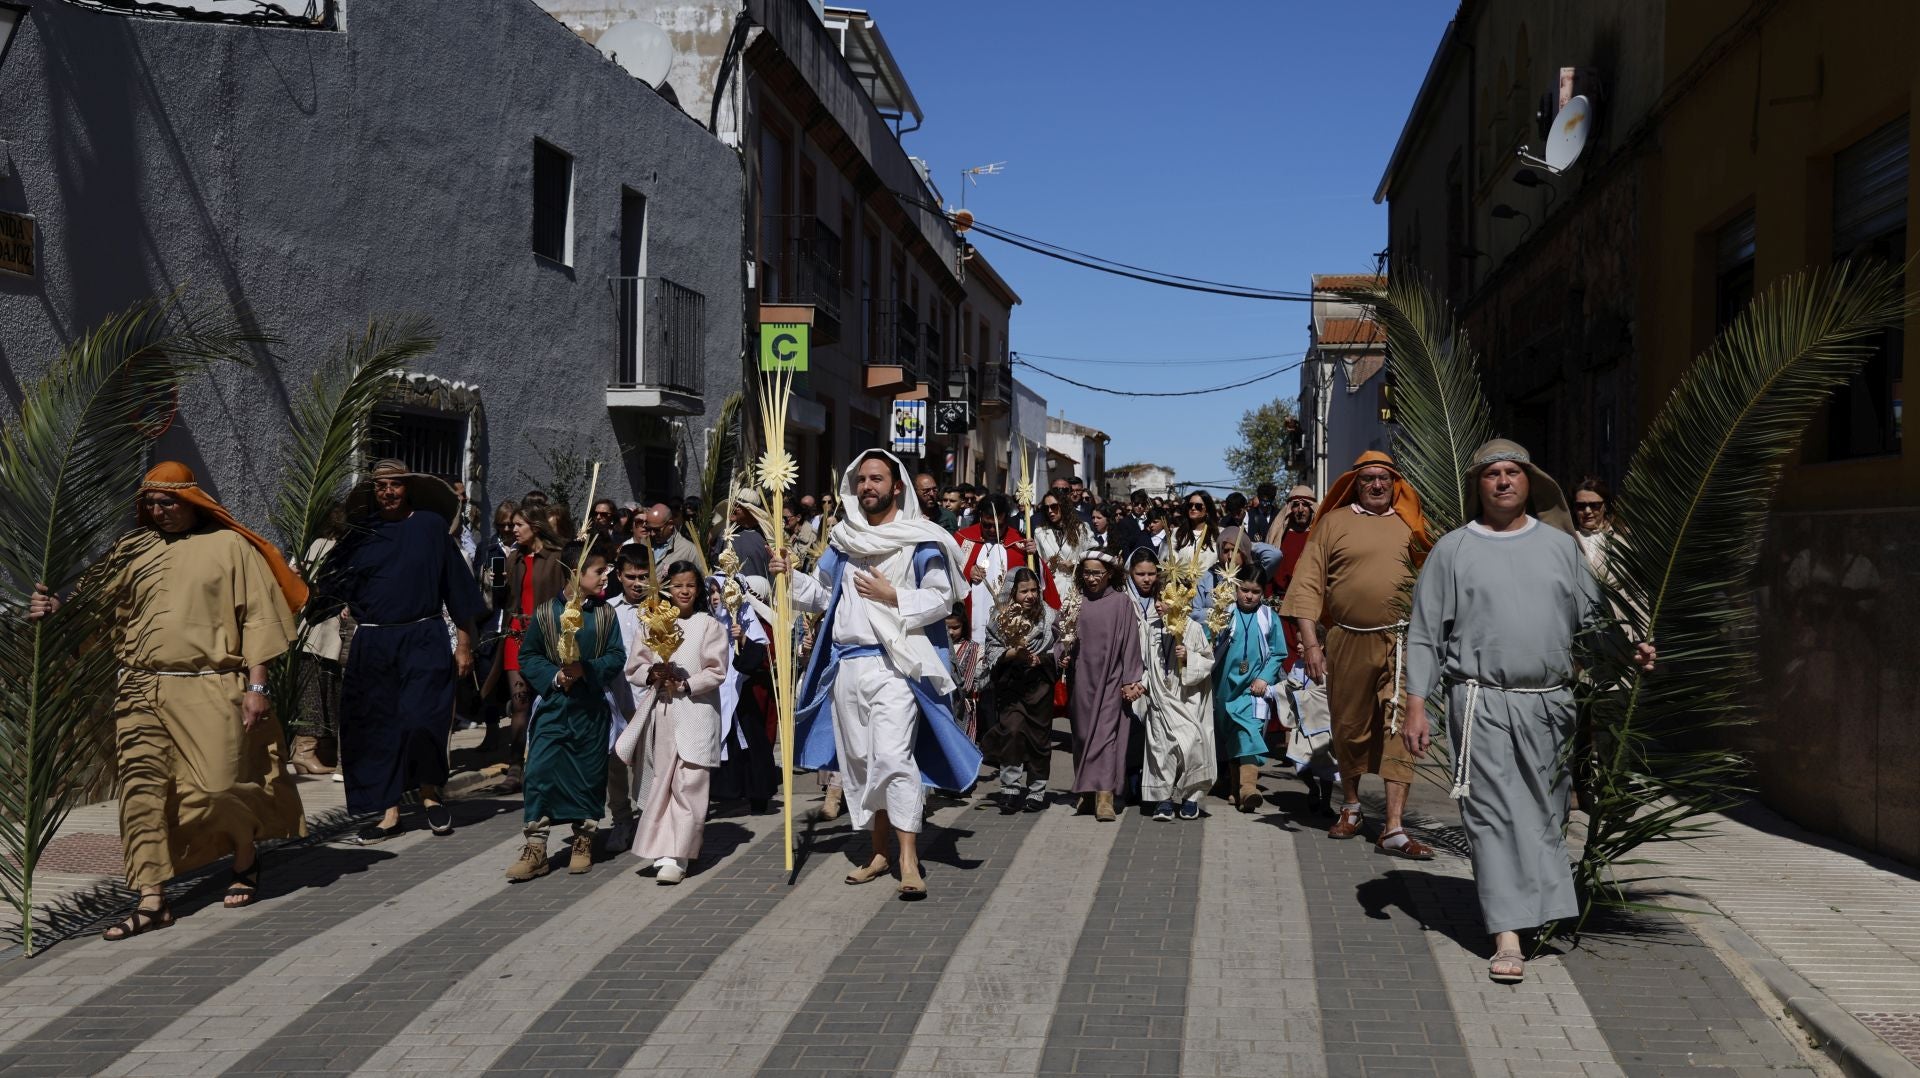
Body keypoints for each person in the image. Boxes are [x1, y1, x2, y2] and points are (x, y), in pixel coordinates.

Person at [1403, 440, 1655, 984]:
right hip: (1478, 701)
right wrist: (1416, 704)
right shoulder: (1453, 549)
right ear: (1479, 486)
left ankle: (1534, 909)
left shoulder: (1562, 549)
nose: (1502, 482)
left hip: (1550, 705)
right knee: (1489, 816)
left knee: (1544, 815)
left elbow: (1593, 625)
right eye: (1491, 474)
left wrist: (1629, 652)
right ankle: (1507, 934)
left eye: (1512, 472)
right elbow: (1424, 634)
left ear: (1529, 482)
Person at [29, 463, 308, 938]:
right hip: (139, 687)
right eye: (152, 503)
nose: (160, 511)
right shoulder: (131, 549)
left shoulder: (231, 547)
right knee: (142, 794)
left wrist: (257, 686)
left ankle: (244, 852)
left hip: (211, 684)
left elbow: (259, 618)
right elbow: (96, 612)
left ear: (192, 500)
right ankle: (152, 898)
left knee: (219, 787)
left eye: (169, 502)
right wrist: (56, 609)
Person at [774, 449, 981, 899]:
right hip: (848, 665)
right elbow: (822, 596)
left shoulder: (921, 538)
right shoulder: (844, 539)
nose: (868, 486)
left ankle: (910, 858)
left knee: (893, 756)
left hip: (897, 664)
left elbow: (941, 599)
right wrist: (789, 577)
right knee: (862, 763)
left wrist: (894, 596)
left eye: (877, 478)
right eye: (862, 479)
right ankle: (879, 851)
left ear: (896, 485)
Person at [1279, 451, 1435, 859]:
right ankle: (1350, 806)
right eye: (1369, 479)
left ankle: (1394, 828)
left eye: (1384, 478)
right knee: (1349, 726)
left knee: (1399, 726)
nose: (1378, 485)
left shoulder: (1411, 524)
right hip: (1347, 640)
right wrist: (1311, 645)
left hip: (1402, 642)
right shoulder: (1333, 523)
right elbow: (1307, 585)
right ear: (1355, 483)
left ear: (1394, 483)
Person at [320, 459, 485, 844]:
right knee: (378, 727)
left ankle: (429, 795)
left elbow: (457, 588)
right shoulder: (362, 533)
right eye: (381, 487)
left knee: (421, 720)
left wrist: (463, 644)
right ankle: (390, 812)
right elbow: (328, 583)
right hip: (373, 643)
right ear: (373, 492)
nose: (388, 492)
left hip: (423, 638)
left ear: (407, 488)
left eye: (395, 485)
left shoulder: (429, 527)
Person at [506, 547, 626, 880]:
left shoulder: (605, 614)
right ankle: (536, 847)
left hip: (590, 708)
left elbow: (616, 656)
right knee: (540, 771)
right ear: (575, 572)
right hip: (555, 705)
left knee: (588, 775)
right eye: (599, 570)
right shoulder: (545, 614)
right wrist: (555, 676)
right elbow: (529, 656)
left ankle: (583, 839)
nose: (606, 576)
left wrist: (585, 669)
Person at [615, 561, 727, 884]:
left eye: (690, 585)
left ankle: (680, 854)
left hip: (696, 712)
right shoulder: (652, 625)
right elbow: (634, 668)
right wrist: (653, 674)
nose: (684, 591)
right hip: (663, 714)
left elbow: (717, 669)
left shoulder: (709, 625)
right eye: (678, 585)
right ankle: (664, 850)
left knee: (689, 784)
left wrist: (687, 684)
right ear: (667, 588)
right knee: (663, 784)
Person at [481, 504, 567, 793]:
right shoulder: (513, 558)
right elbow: (504, 600)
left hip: (546, 636)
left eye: (519, 525)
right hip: (516, 634)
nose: (513, 530)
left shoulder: (556, 558)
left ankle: (549, 764)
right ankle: (515, 767)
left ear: (536, 526)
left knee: (549, 703)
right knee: (519, 701)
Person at [1127, 548, 1215, 822]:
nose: (1162, 604)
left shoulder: (1193, 629)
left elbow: (1208, 659)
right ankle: (1162, 798)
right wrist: (1141, 685)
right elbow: (1145, 662)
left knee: (1193, 746)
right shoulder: (1151, 628)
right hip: (1160, 697)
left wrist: (1189, 657)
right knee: (1160, 749)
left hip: (1188, 697)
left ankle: (1191, 796)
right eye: (1160, 597)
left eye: (1170, 598)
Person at [1059, 552, 1145, 822]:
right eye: (1087, 572)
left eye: (1097, 573)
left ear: (1109, 574)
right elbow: (1059, 635)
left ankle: (1105, 797)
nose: (1092, 578)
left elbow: (1131, 643)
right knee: (1083, 737)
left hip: (1111, 679)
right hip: (1081, 679)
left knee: (1106, 738)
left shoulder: (1121, 603)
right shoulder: (1075, 602)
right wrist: (1061, 652)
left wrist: (1131, 679)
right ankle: (1086, 792)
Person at [981, 567, 1059, 814]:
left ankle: (1036, 790)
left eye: (1034, 590)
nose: (1030, 596)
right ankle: (1010, 788)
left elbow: (1060, 650)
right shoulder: (999, 617)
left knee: (1038, 739)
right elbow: (992, 651)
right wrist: (1013, 653)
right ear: (1012, 592)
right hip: (1011, 686)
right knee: (1011, 732)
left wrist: (1042, 659)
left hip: (1040, 687)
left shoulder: (1049, 616)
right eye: (1024, 591)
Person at [1212, 563, 1287, 812]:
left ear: (1263, 593)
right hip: (1225, 686)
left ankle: (1249, 788)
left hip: (1253, 688)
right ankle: (1237, 790)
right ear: (1236, 588)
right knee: (1233, 734)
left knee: (1250, 731)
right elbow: (1207, 641)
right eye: (1244, 590)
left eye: (1255, 592)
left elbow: (1278, 652)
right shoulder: (1225, 612)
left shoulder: (1268, 617)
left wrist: (1265, 678)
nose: (1249, 596)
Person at [712, 574, 779, 815]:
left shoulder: (747, 619)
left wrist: (741, 638)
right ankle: (724, 791)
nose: (716, 597)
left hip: (744, 693)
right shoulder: (708, 621)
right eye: (712, 592)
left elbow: (759, 657)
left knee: (751, 744)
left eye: (721, 592)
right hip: (716, 691)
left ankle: (757, 794)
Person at [602, 546, 651, 852]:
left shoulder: (662, 609)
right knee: (616, 764)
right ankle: (621, 819)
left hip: (652, 700)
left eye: (643, 576)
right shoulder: (607, 611)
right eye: (630, 577)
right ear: (618, 576)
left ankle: (648, 818)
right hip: (619, 701)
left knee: (650, 764)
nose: (637, 583)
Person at [954, 494, 1028, 640]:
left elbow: (1033, 579)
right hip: (971, 618)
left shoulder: (1019, 544)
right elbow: (948, 573)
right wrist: (966, 571)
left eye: (998, 526)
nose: (993, 530)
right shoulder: (963, 539)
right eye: (987, 525)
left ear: (1006, 519)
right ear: (981, 517)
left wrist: (1034, 555)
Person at [1265, 485, 1318, 670]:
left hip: (1312, 608)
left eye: (1305, 505)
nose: (1300, 509)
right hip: (1282, 610)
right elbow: (1269, 572)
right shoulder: (1280, 536)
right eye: (1296, 505)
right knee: (1285, 661)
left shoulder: (1319, 536)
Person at [1029, 489, 1092, 609]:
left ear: (1063, 506)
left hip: (1075, 588)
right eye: (1046, 508)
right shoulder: (1040, 532)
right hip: (1051, 588)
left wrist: (1075, 564)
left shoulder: (1081, 529)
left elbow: (1092, 555)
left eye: (1054, 506)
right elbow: (1039, 563)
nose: (1050, 511)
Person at [945, 603, 985, 742]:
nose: (951, 632)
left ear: (964, 626)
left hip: (964, 708)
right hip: (943, 704)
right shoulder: (939, 648)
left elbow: (976, 680)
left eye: (955, 627)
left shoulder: (974, 648)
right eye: (947, 627)